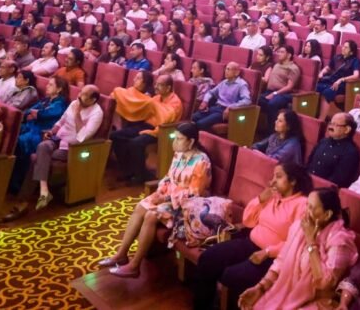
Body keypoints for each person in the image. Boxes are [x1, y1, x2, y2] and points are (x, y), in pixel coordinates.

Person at [192, 161, 312, 310]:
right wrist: (261, 198)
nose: (272, 181)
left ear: (293, 181)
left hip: (271, 258)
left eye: (279, 177)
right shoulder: (273, 196)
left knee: (231, 276)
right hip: (249, 243)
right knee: (208, 258)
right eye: (273, 176)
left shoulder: (303, 205)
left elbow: (296, 243)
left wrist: (268, 252)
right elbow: (248, 221)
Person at [100, 123, 210, 278]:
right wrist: (160, 192)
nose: (174, 143)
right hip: (169, 198)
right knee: (141, 207)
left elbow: (195, 193)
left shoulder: (201, 162)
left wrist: (167, 198)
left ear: (191, 142)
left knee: (152, 215)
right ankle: (121, 254)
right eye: (174, 138)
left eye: (179, 139)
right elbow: (168, 177)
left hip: (187, 206)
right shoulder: (179, 154)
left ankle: (134, 265)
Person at [237, 187, 358, 310]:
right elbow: (281, 262)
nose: (305, 211)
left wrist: (311, 242)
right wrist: (260, 288)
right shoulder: (299, 228)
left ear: (327, 215)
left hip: (319, 303)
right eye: (306, 205)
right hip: (288, 294)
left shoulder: (340, 241)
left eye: (311, 207)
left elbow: (325, 283)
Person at [7, 85, 104, 217]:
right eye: (81, 92)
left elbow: (83, 137)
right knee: (42, 146)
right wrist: (52, 131)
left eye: (85, 94)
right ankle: (44, 190)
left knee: (36, 159)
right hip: (58, 139)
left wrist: (77, 115)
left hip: (71, 148)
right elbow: (61, 120)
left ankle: (23, 202)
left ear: (93, 100)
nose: (80, 96)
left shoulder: (97, 113)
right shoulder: (75, 103)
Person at [109, 72, 183, 182]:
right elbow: (145, 109)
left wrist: (150, 132)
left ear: (168, 88)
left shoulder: (175, 103)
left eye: (159, 85)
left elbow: (167, 122)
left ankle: (140, 175)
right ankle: (127, 170)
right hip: (146, 125)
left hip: (161, 131)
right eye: (156, 84)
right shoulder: (157, 97)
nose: (156, 87)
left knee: (136, 142)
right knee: (115, 136)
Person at [9, 77, 69, 192]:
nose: (47, 86)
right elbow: (28, 112)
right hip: (30, 128)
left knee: (19, 143)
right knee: (11, 135)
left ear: (59, 89)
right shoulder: (46, 100)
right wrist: (33, 114)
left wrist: (37, 114)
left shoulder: (61, 104)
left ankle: (18, 182)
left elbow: (44, 114)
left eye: (51, 85)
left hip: (42, 134)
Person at [192, 61, 251, 131]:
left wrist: (231, 107)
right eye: (226, 69)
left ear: (237, 72)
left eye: (229, 69)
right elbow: (210, 92)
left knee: (200, 124)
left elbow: (247, 100)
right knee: (192, 118)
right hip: (215, 107)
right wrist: (205, 101)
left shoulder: (241, 84)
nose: (226, 71)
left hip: (224, 112)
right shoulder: (224, 82)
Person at [307, 112, 360, 188]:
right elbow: (309, 162)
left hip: (324, 192)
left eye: (335, 125)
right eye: (330, 123)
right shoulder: (323, 141)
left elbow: (338, 181)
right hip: (308, 183)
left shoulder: (350, 152)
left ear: (347, 129)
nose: (330, 127)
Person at [259, 45, 301, 130]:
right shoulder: (277, 65)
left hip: (284, 94)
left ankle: (271, 131)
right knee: (256, 99)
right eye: (278, 52)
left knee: (272, 104)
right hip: (270, 91)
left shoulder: (293, 68)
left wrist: (274, 94)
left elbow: (289, 87)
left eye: (282, 52)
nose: (279, 54)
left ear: (289, 55)